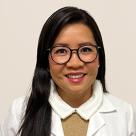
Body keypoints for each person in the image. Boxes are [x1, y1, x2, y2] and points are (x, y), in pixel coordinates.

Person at [0, 6, 136, 136]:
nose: (75, 63)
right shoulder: (20, 112)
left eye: (86, 49)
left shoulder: (125, 114)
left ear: (99, 58)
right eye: (61, 51)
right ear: (46, 61)